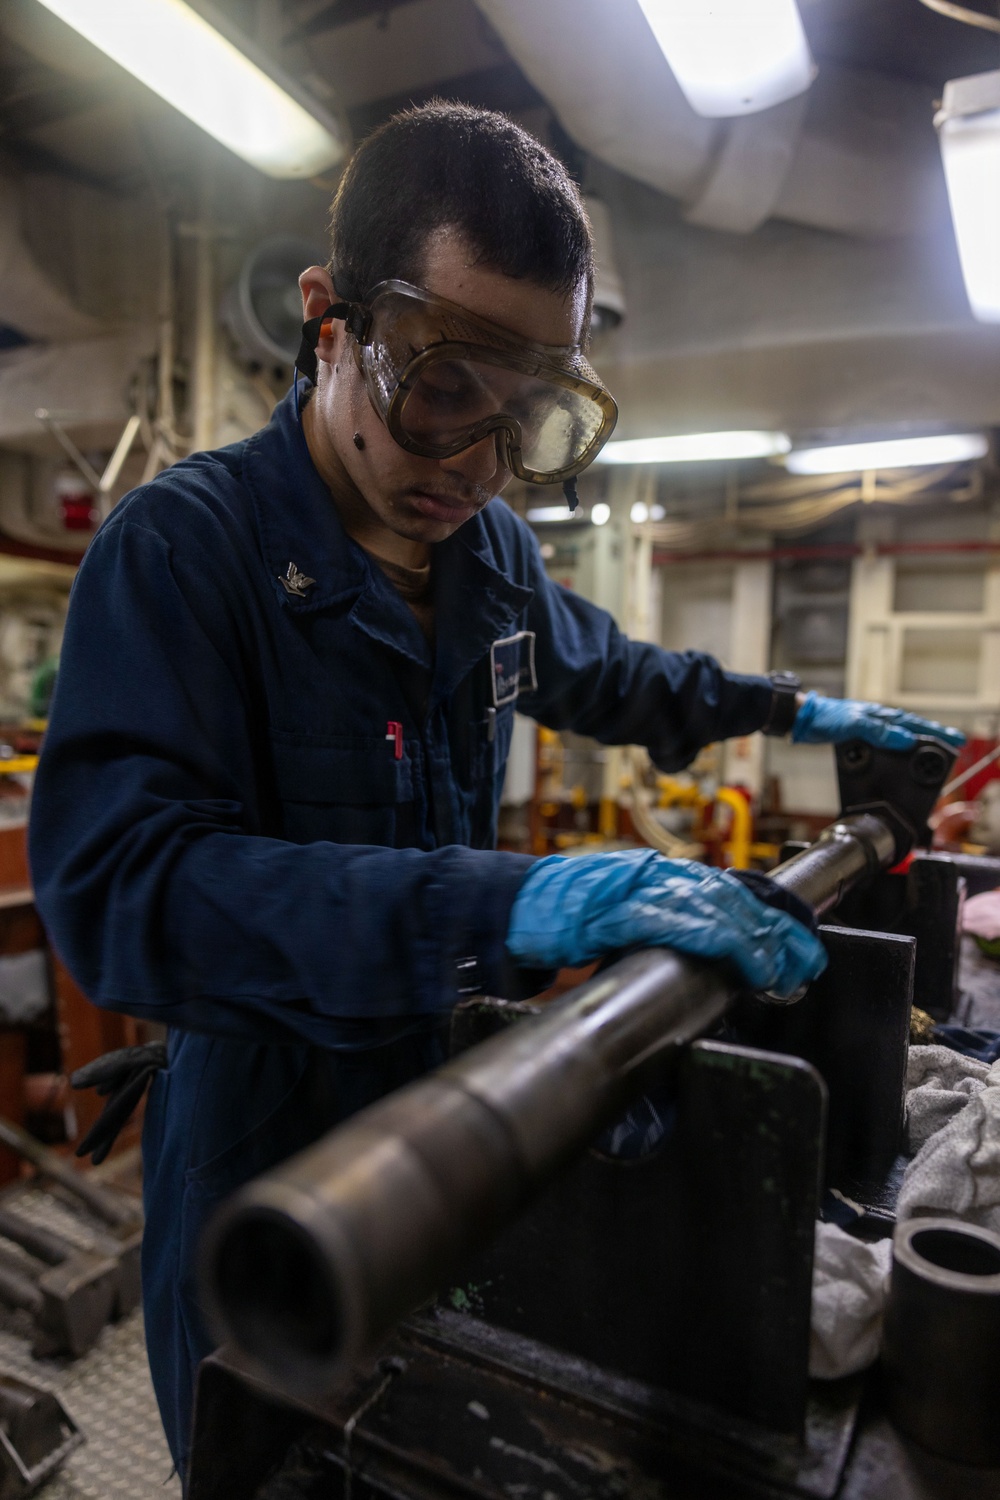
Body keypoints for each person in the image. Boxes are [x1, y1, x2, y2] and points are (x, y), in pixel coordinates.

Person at [28, 102, 962, 1477]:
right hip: (272, 1164)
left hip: (465, 1117)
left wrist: (787, 708)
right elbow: (127, 897)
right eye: (443, 384)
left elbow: (616, 675)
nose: (475, 459)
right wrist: (514, 902)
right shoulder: (186, 553)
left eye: (528, 411)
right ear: (327, 320)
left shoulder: (493, 560)